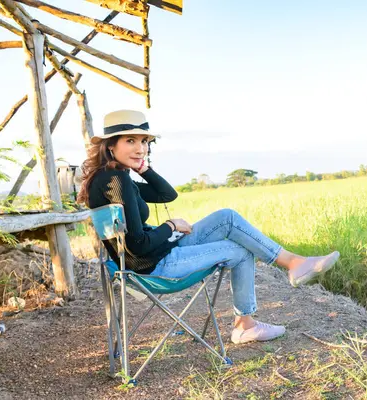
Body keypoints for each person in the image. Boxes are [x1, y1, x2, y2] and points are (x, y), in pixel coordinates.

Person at [77, 110, 340, 344]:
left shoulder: (114, 177)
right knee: (240, 250)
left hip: (155, 254)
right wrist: (170, 226)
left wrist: (143, 168)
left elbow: (167, 195)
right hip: (155, 266)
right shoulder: (115, 180)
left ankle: (293, 263)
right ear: (111, 145)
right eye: (130, 141)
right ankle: (245, 325)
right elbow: (137, 244)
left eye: (144, 142)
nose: (140, 148)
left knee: (226, 217)